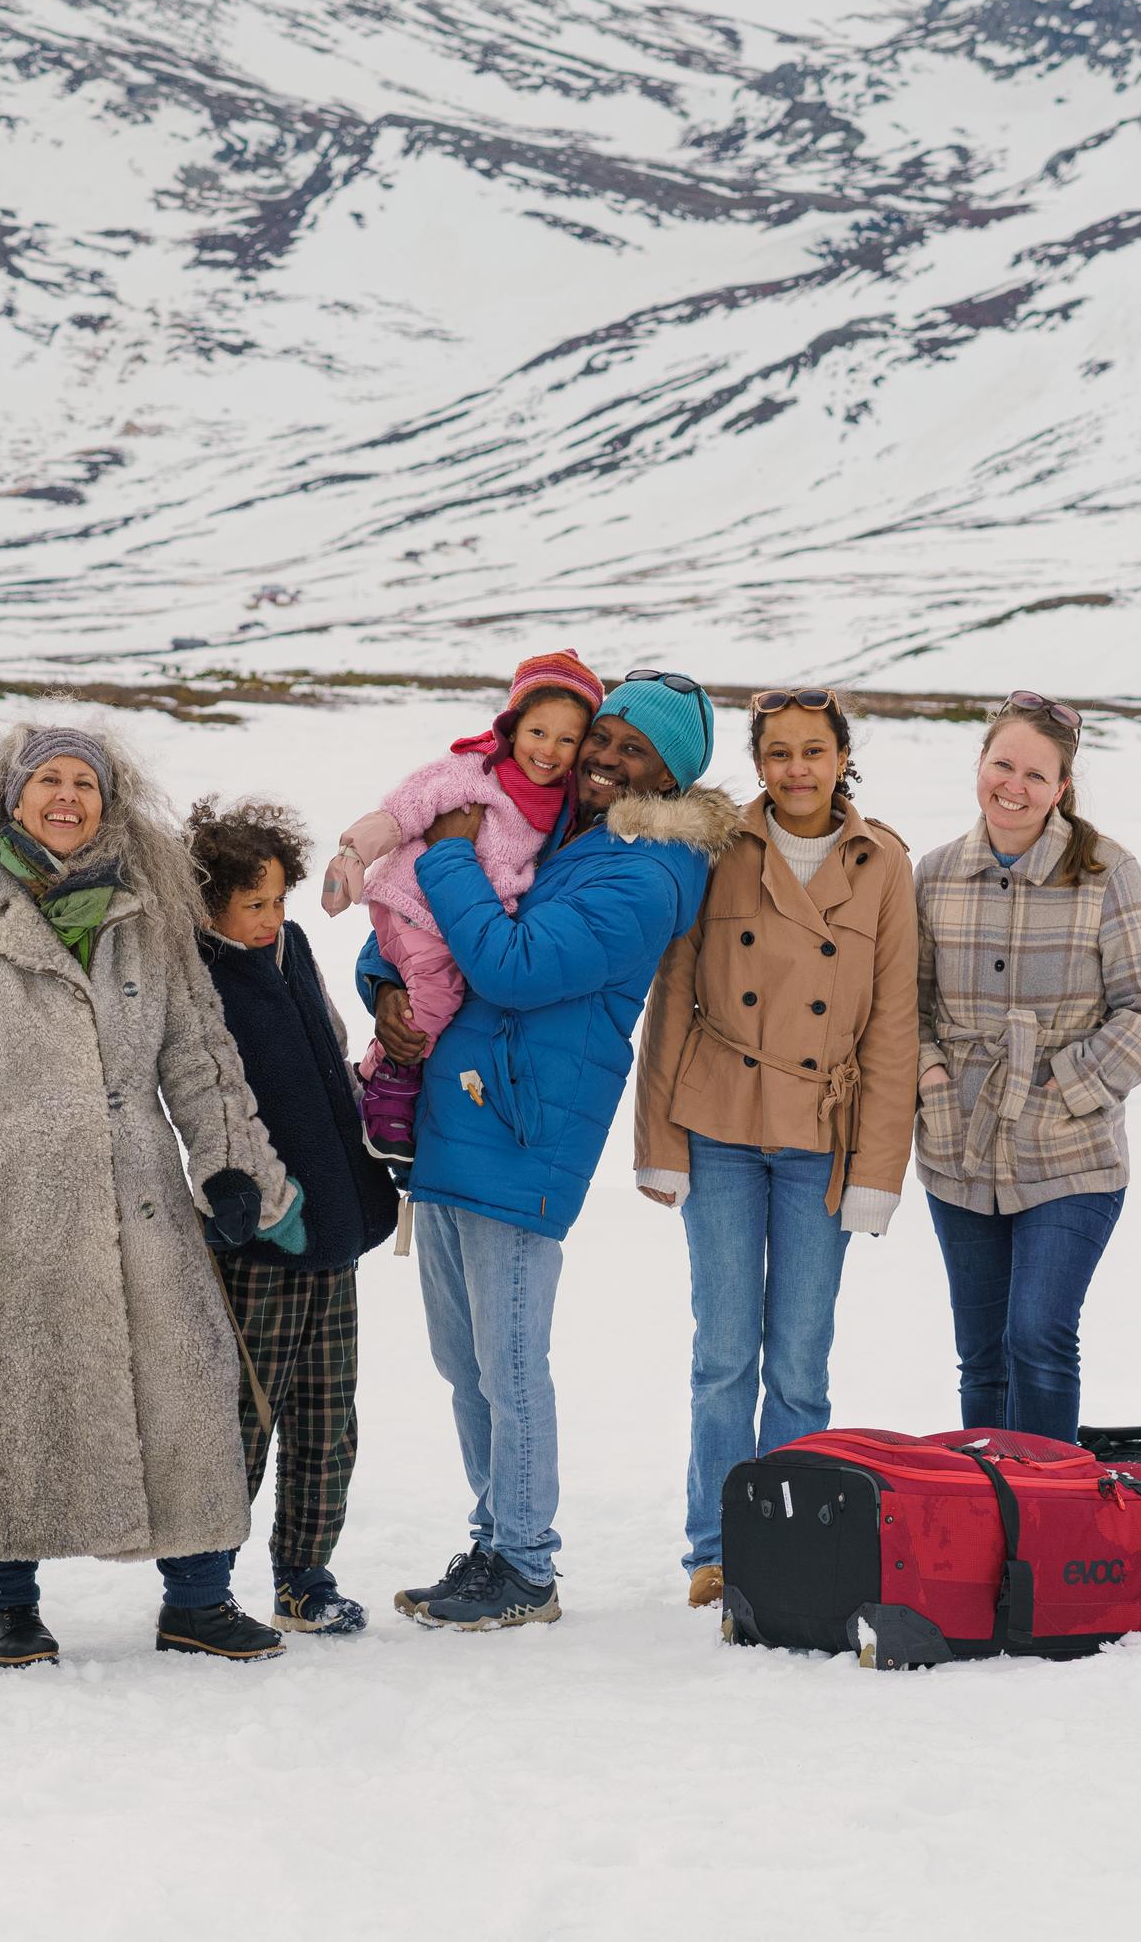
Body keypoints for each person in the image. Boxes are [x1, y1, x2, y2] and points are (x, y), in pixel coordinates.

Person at [0, 726, 301, 1667]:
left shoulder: (149, 918)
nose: (67, 797)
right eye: (48, 782)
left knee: (185, 1388)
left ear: (109, 805)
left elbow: (199, 1052)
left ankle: (198, 1598)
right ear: (11, 799)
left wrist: (230, 1163)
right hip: (10, 1208)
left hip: (141, 1198)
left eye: (86, 783)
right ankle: (8, 1605)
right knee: (8, 1401)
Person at [359, 668, 737, 1630]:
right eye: (600, 737)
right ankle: (494, 1538)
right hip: (457, 1114)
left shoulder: (648, 875)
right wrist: (382, 987)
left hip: (525, 1131)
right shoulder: (557, 830)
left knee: (510, 1362)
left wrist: (446, 848)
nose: (602, 758)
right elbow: (422, 918)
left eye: (632, 749)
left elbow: (513, 965)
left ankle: (526, 1562)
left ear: (672, 774)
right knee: (462, 1359)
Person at [634, 688, 919, 1610]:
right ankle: (714, 1548)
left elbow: (893, 1028)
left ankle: (791, 1536)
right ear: (758, 763)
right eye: (780, 753)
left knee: (799, 1358)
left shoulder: (883, 864)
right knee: (723, 1353)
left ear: (843, 758)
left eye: (815, 751)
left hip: (820, 1140)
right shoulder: (718, 848)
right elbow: (672, 994)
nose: (797, 768)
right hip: (718, 1125)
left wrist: (879, 1169)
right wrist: (659, 1139)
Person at [912, 693, 1141, 1446]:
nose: (1014, 785)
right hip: (958, 1150)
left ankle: (1049, 1518)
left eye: (1036, 774)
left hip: (1072, 1155)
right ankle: (988, 1513)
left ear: (1061, 787)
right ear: (980, 765)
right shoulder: (933, 875)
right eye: (1003, 764)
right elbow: (905, 1006)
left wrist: (1068, 1085)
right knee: (984, 1359)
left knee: (1037, 1334)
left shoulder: (1106, 872)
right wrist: (933, 1082)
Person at [188, 796, 402, 1634]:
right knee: (244, 1418)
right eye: (255, 904)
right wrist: (270, 1208)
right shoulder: (198, 978)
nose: (275, 917)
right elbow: (210, 1107)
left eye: (280, 899)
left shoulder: (294, 948)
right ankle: (205, 1579)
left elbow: (328, 1051)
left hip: (335, 1232)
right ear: (209, 905)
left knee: (327, 1418)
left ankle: (305, 1573)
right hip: (263, 1243)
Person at [318, 650, 605, 1161]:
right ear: (512, 727)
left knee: (442, 992)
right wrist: (353, 853)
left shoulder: (560, 804)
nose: (550, 750)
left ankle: (387, 1075)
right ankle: (382, 1081)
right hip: (414, 901)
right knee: (438, 994)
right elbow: (405, 809)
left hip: (456, 921)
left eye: (567, 740)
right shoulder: (473, 773)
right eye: (538, 732)